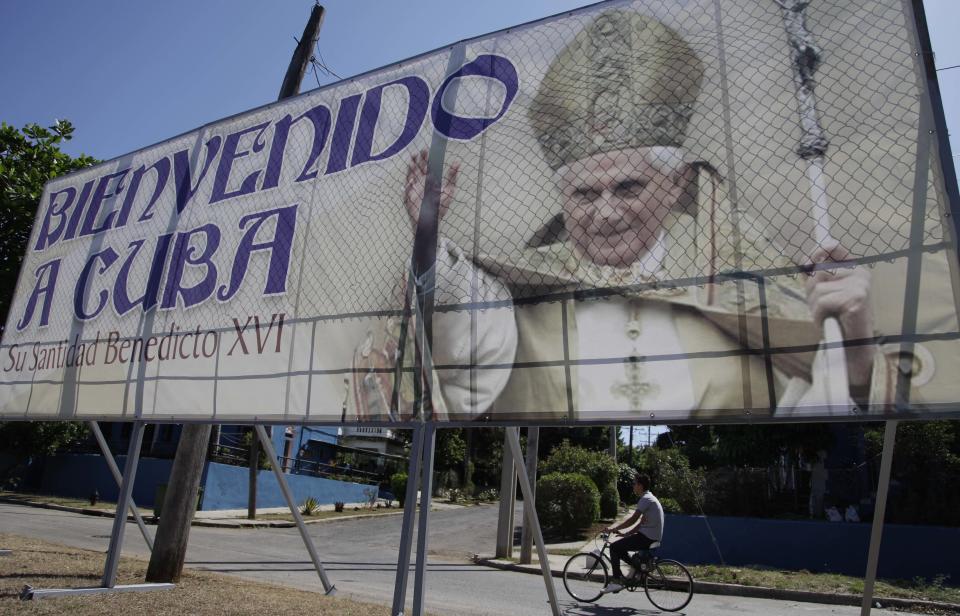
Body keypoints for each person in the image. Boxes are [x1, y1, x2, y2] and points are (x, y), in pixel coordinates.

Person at [356, 8, 898, 422]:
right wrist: (426, 234)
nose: (606, 214)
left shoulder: (746, 274)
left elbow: (825, 407)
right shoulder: (523, 287)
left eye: (629, 186)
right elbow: (465, 317)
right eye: (585, 196)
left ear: (678, 183)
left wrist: (855, 343)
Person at [601, 473, 663, 594]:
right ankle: (638, 568)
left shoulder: (645, 499)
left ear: (640, 486)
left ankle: (616, 581)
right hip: (649, 536)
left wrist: (613, 529)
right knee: (620, 548)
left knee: (614, 547)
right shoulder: (649, 498)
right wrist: (626, 534)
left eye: (634, 484)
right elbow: (641, 524)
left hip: (647, 538)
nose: (633, 486)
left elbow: (633, 519)